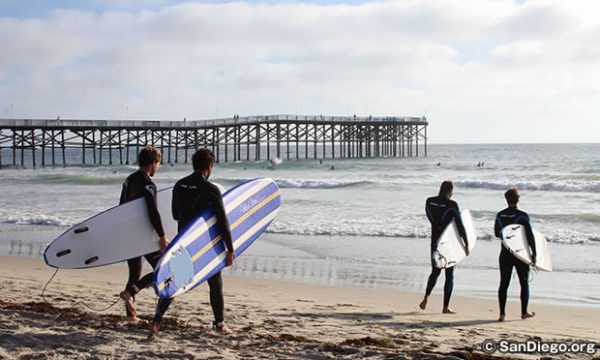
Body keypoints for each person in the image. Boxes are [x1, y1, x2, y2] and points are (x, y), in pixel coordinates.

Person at [147, 148, 235, 339]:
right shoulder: (211, 190)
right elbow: (222, 221)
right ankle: (220, 325)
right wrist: (230, 249)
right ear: (209, 167)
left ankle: (156, 321)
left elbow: (175, 214)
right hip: (205, 243)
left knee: (175, 280)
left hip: (184, 241)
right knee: (215, 282)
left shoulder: (179, 185)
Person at [118, 145, 169, 321]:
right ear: (154, 162)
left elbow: (121, 208)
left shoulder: (129, 180)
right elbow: (153, 212)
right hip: (142, 236)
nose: (158, 167)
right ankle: (131, 292)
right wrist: (162, 236)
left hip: (128, 234)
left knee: (133, 275)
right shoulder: (148, 184)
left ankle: (130, 315)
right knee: (163, 270)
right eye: (158, 163)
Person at [419, 180, 469, 314]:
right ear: (450, 191)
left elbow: (432, 219)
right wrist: (466, 243)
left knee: (435, 272)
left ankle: (425, 298)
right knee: (449, 273)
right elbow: (459, 225)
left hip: (435, 241)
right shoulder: (452, 205)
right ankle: (445, 307)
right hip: (448, 243)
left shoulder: (429, 201)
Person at [494, 188, 536, 322]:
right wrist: (534, 253)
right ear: (518, 199)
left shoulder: (500, 215)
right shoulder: (523, 215)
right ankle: (524, 312)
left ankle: (502, 314)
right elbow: (529, 235)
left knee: (503, 284)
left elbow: (497, 233)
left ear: (506, 200)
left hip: (505, 254)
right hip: (520, 255)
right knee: (524, 284)